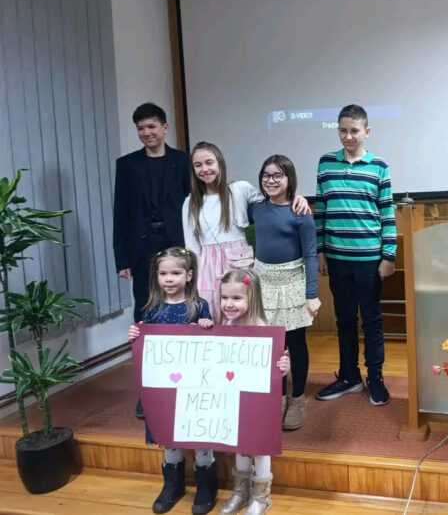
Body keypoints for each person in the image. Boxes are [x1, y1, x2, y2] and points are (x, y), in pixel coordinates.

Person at [314, 104, 397, 406]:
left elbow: (387, 212)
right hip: (337, 259)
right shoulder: (326, 163)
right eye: (343, 131)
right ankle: (349, 376)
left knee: (372, 321)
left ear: (366, 131)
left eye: (354, 131)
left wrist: (389, 256)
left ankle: (375, 378)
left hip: (370, 261)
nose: (348, 136)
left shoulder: (379, 166)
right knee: (344, 319)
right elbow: (320, 211)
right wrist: (320, 252)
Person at [127, 247, 218, 515]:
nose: (168, 279)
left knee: (200, 432)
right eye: (163, 273)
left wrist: (205, 326)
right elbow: (145, 345)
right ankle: (173, 485)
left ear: (188, 275)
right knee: (168, 433)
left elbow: (212, 342)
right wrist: (134, 335)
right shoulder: (151, 308)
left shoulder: (199, 306)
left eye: (175, 273)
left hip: (194, 384)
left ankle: (206, 486)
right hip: (165, 387)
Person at [114, 102, 189, 420]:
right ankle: (148, 390)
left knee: (183, 311)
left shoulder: (183, 161)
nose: (146, 133)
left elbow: (195, 207)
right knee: (145, 315)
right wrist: (122, 258)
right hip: (142, 250)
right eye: (140, 128)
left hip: (178, 248)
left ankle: (183, 382)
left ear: (165, 128)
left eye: (151, 126)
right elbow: (120, 213)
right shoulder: (127, 165)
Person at [182, 142, 310, 324]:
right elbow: (193, 248)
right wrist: (195, 281)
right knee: (213, 317)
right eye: (198, 165)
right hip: (207, 269)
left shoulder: (239, 189)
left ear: (219, 162)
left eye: (209, 162)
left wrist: (297, 197)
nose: (204, 169)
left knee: (245, 318)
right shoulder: (190, 203)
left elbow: (272, 203)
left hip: (240, 264)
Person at [249, 155, 320, 431]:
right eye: (266, 175)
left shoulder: (300, 213)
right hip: (263, 282)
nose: (271, 180)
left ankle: (297, 399)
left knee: (296, 343)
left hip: (292, 282)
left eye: (278, 175)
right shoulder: (256, 208)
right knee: (271, 345)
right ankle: (276, 399)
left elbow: (311, 255)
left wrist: (311, 294)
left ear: (289, 178)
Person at [217, 268, 289, 515]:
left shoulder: (261, 328)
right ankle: (241, 492)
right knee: (239, 444)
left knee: (259, 448)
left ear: (252, 298)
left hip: (257, 402)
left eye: (236, 298)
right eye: (224, 297)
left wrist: (284, 367)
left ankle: (260, 497)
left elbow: (275, 370)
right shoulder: (226, 325)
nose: (229, 304)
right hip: (234, 397)